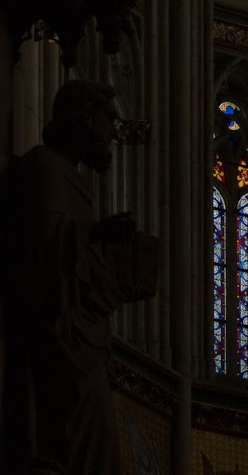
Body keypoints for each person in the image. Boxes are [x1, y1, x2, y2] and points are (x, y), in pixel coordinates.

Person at [6, 82, 157, 474]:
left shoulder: (68, 177)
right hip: (59, 344)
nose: (113, 131)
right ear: (83, 119)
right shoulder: (46, 169)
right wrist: (98, 235)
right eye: (108, 119)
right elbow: (41, 256)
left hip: (80, 341)